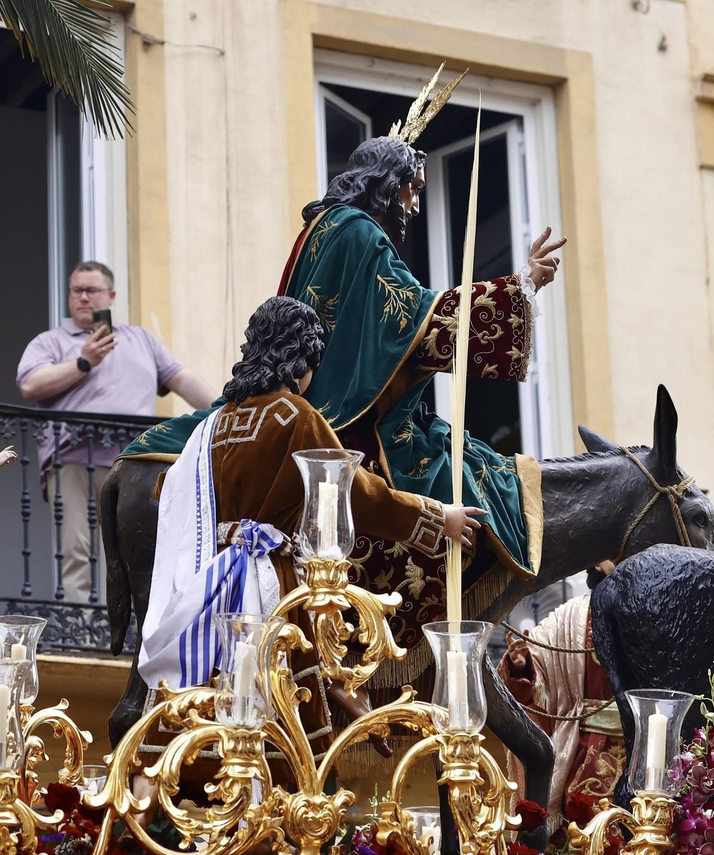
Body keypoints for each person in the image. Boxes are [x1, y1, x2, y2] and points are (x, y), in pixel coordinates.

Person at [129, 84, 566, 682]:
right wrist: (517, 290)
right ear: (388, 184)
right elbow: (408, 322)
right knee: (466, 477)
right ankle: (376, 663)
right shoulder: (361, 233)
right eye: (412, 188)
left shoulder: (319, 229)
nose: (415, 203)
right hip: (344, 414)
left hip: (319, 408)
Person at [132, 296, 486, 750]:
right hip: (270, 580)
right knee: (285, 710)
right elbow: (353, 491)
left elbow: (170, 491)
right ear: (301, 359)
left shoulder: (214, 425)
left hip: (210, 576)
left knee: (213, 696)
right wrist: (439, 517)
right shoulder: (294, 416)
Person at [16, 261, 215, 603]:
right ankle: (78, 630)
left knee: (134, 551)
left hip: (135, 465)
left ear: (110, 296)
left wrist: (225, 410)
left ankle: (137, 634)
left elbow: (182, 379)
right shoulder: (51, 341)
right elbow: (30, 384)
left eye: (91, 291)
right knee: (75, 548)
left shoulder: (140, 340)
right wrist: (84, 361)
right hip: (74, 460)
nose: (83, 298)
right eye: (76, 291)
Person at [500, 561, 624, 834]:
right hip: (582, 750)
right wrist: (521, 666)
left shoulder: (656, 613)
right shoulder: (571, 618)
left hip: (643, 753)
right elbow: (536, 671)